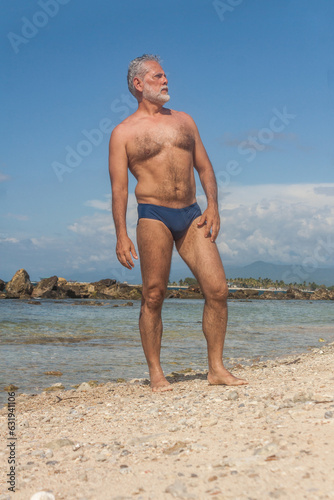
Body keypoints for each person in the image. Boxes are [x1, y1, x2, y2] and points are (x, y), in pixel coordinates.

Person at [109, 54, 248, 392]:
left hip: (191, 214)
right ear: (139, 84)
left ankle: (215, 368)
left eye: (166, 75)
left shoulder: (185, 121)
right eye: (159, 76)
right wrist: (121, 235)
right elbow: (119, 190)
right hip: (153, 215)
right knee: (154, 295)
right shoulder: (123, 133)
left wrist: (213, 205)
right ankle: (156, 374)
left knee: (218, 290)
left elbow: (204, 167)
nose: (166, 80)